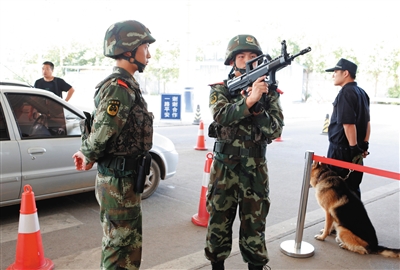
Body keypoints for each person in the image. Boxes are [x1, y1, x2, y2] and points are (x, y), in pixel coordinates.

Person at [72, 20, 155, 270]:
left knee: (126, 245)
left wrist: (88, 153)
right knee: (120, 247)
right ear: (129, 50)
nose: (148, 54)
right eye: (145, 47)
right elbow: (105, 130)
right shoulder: (119, 88)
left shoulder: (126, 85)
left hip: (124, 178)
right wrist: (87, 153)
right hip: (118, 181)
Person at [205, 35, 284, 270]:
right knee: (218, 222)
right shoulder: (220, 89)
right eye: (241, 56)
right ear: (232, 61)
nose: (247, 60)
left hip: (256, 167)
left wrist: (259, 106)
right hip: (224, 167)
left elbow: (275, 130)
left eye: (252, 56)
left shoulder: (270, 92)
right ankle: (216, 266)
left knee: (255, 225)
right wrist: (248, 101)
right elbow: (221, 115)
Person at [325, 58, 370, 199]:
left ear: (345, 73)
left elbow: (348, 124)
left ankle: (343, 222)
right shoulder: (362, 93)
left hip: (342, 151)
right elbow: (367, 123)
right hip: (356, 150)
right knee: (353, 192)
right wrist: (364, 145)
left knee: (338, 195)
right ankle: (356, 221)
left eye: (336, 71)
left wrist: (352, 148)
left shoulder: (345, 93)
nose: (333, 75)